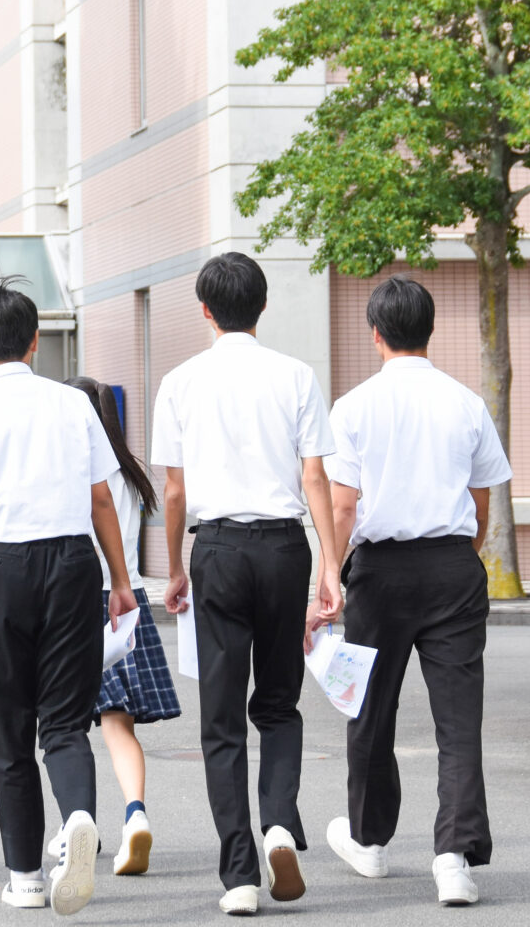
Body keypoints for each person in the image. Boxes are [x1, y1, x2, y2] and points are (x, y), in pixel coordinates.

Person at [0, 277, 137, 917]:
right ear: (35, 341)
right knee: (67, 721)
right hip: (75, 563)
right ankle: (78, 816)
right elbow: (103, 498)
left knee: (13, 727)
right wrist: (122, 580)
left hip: (7, 566)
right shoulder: (71, 405)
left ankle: (24, 877)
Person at [311, 275, 511, 909]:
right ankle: (454, 857)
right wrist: (460, 560)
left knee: (371, 707)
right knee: (459, 719)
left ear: (375, 333)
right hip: (453, 564)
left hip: (380, 571)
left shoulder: (354, 406)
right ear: (430, 330)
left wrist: (329, 574)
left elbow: (343, 507)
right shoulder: (466, 403)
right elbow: (482, 505)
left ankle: (369, 840)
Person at [155, 252, 339, 917]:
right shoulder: (295, 375)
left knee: (222, 719)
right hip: (286, 548)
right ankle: (282, 824)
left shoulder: (179, 382)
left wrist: (176, 565)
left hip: (220, 550)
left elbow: (174, 489)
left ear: (205, 310)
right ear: (262, 308)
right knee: (281, 703)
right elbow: (314, 477)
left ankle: (239, 874)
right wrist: (330, 567)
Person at [64, 377, 181, 877]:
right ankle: (135, 814)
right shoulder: (129, 473)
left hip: (82, 604)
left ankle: (73, 825)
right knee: (118, 725)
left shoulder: (77, 472)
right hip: (128, 605)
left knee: (61, 727)